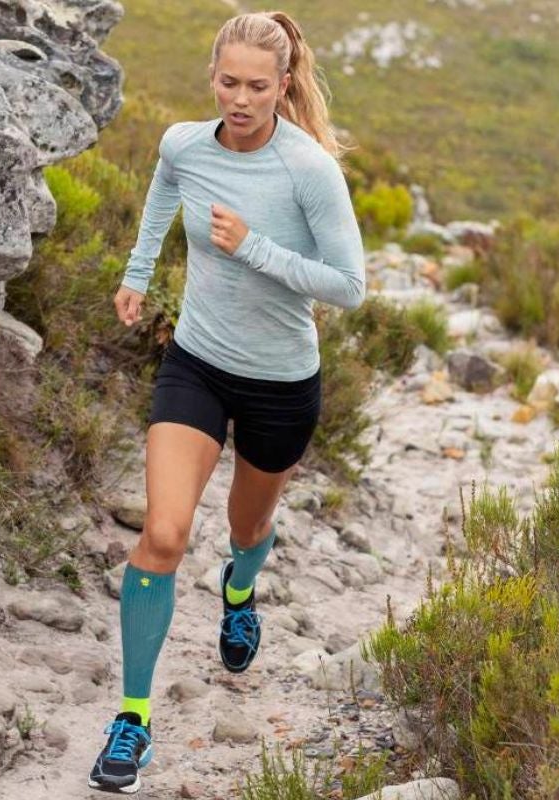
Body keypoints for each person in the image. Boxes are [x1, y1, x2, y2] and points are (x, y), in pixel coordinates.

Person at [87, 9, 367, 795]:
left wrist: (256, 248)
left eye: (256, 86)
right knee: (165, 533)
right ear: (212, 78)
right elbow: (162, 195)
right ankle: (133, 721)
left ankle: (239, 590)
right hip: (197, 366)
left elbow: (350, 286)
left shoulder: (307, 169)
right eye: (228, 83)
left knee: (248, 528)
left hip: (281, 383)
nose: (240, 100)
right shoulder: (183, 143)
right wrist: (138, 273)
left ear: (283, 85)